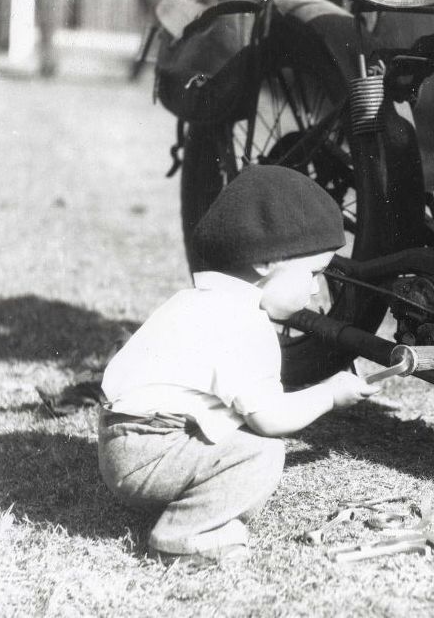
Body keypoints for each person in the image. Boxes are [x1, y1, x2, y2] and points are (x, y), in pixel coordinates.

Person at [98, 165, 379, 565]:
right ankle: (186, 535)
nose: (315, 288)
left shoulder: (196, 300)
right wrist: (329, 395)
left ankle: (186, 505)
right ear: (269, 262)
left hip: (125, 443)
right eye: (313, 273)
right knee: (260, 454)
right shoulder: (244, 324)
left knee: (238, 434)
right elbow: (270, 419)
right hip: (148, 451)